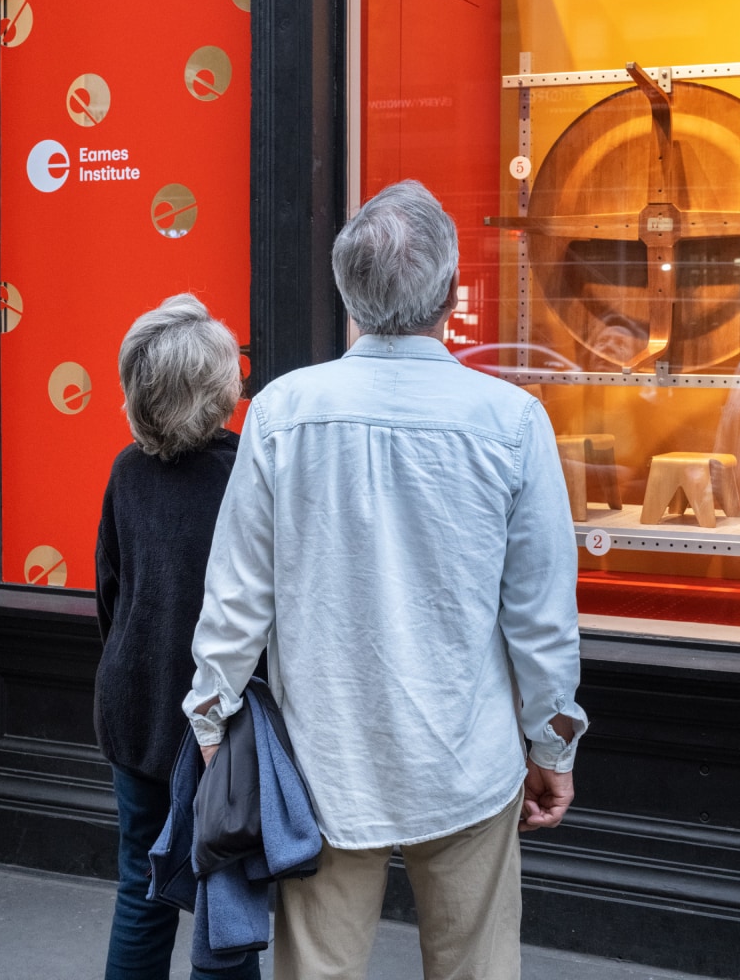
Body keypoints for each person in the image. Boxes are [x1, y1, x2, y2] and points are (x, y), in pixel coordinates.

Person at [188, 181, 588, 980]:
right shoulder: (511, 420)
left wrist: (212, 715)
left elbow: (237, 594)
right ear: (451, 293)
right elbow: (541, 616)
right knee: (476, 966)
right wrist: (553, 741)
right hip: (468, 756)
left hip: (324, 759)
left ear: (349, 295)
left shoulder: (281, 412)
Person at [95, 293, 260, 980]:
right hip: (219, 723)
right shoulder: (245, 472)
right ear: (214, 389)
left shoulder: (127, 471)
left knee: (141, 884)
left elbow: (110, 591)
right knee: (225, 893)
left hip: (134, 710)